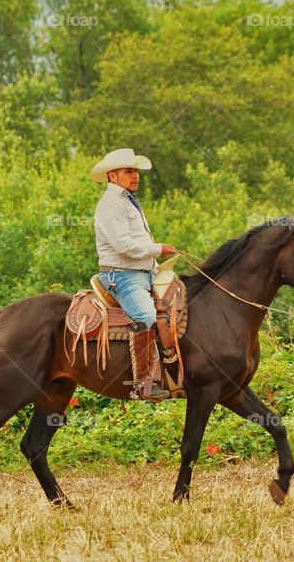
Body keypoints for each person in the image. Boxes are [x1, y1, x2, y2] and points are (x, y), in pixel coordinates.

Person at [90, 148, 176, 402]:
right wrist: (157, 249)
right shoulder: (110, 204)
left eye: (136, 171)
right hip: (123, 276)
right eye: (129, 171)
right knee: (146, 315)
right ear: (112, 176)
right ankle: (143, 383)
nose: (135, 175)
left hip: (144, 272)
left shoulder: (126, 200)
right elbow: (123, 245)